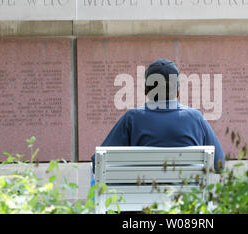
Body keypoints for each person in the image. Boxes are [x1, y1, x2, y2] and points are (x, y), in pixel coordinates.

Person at [91, 58, 225, 185]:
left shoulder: (131, 118)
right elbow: (220, 164)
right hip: (186, 203)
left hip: (140, 204)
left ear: (146, 90)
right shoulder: (196, 118)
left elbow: (97, 163)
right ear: (178, 91)